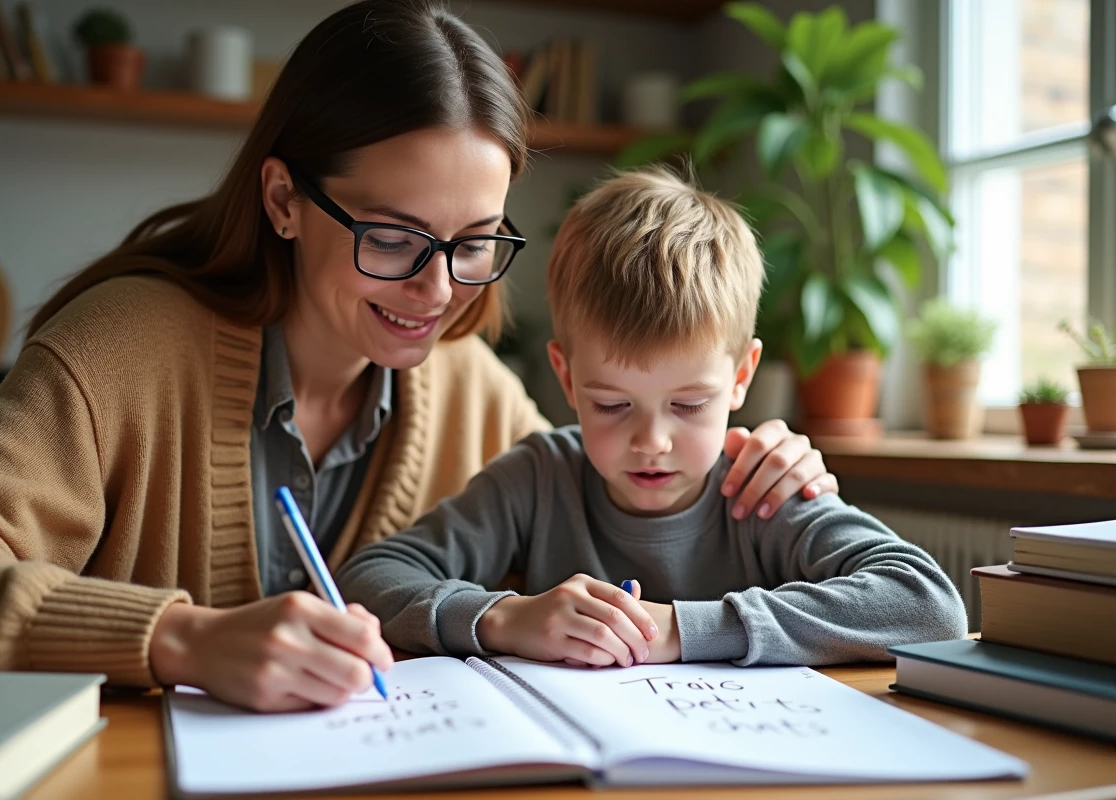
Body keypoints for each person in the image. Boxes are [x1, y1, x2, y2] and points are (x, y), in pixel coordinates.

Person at [0, 0, 841, 712]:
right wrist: (180, 639)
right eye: (394, 238)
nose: (438, 292)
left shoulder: (476, 391)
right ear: (283, 200)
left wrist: (759, 469)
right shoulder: (125, 348)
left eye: (474, 242)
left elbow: (619, 519)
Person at [338, 167, 968, 669]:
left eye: (689, 405)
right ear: (565, 378)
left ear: (741, 377)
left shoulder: (758, 487)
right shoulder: (538, 478)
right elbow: (367, 578)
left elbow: (929, 606)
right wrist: (501, 616)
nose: (651, 441)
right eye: (611, 404)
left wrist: (681, 629)